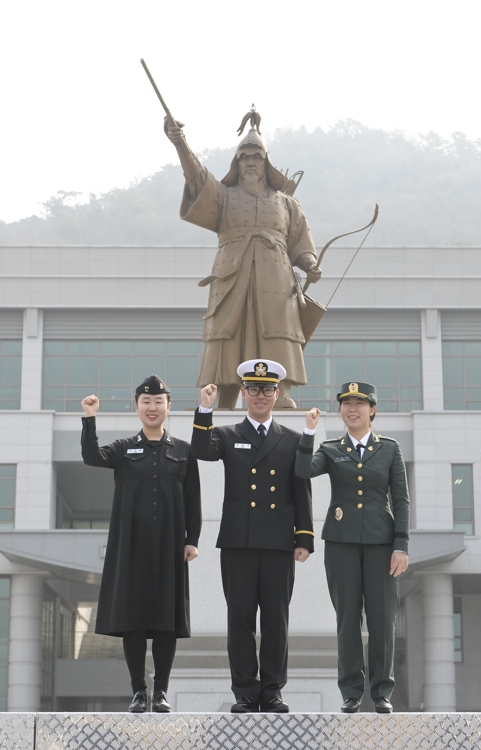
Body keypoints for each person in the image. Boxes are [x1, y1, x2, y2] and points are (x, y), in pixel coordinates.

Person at [165, 113, 322, 410]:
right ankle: (223, 395)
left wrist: (310, 263)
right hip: (232, 277)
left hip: (276, 279)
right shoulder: (223, 197)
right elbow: (197, 178)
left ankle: (281, 391)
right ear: (236, 164)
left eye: (257, 157)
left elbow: (300, 241)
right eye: (244, 157)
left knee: (277, 331)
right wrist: (180, 143)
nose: (250, 162)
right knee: (228, 332)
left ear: (267, 163)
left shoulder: (287, 203)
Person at [191, 359, 314, 712]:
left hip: (278, 542)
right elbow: (201, 451)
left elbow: (300, 488)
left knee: (276, 620)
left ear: (277, 394)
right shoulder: (228, 434)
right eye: (254, 389)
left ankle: (272, 690)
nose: (261, 396)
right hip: (238, 542)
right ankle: (245, 691)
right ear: (243, 393)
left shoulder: (291, 440)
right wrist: (205, 409)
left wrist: (303, 536)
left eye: (268, 389)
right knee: (240, 619)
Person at [80, 375, 201, 713]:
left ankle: (160, 692)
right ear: (137, 407)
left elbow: (193, 499)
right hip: (130, 546)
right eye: (146, 402)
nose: (152, 407)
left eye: (158, 402)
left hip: (170, 546)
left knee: (167, 620)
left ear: (167, 407)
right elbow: (91, 456)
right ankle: (138, 691)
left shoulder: (183, 450)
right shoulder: (122, 448)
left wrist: (192, 540)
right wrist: (90, 418)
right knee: (132, 619)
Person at [295, 381, 409, 714]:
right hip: (342, 545)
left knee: (382, 620)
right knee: (347, 620)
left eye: (360, 403)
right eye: (346, 403)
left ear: (372, 410)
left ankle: (381, 692)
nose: (353, 409)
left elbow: (400, 500)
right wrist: (308, 432)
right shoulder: (330, 448)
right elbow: (303, 471)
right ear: (341, 410)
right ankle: (351, 691)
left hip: (382, 545)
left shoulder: (389, 449)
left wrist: (400, 545)